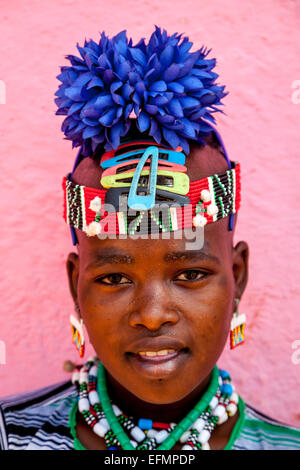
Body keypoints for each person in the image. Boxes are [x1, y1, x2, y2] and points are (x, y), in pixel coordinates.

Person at [0, 27, 299, 451]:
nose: (153, 315)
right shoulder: (10, 436)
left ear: (237, 277)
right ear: (74, 285)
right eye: (115, 278)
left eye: (191, 272)